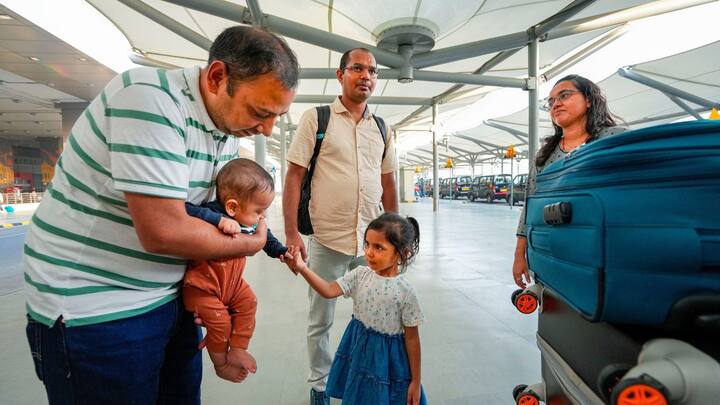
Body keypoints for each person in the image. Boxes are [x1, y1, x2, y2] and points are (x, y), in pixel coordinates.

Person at [23, 26, 298, 404]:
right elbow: (164, 231)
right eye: (260, 112)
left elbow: (201, 217)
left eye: (276, 117)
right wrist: (250, 243)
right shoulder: (149, 98)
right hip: (98, 310)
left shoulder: (224, 130)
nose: (266, 129)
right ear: (217, 77)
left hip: (166, 299)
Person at [282, 47, 399, 404]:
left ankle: (371, 378)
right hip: (326, 239)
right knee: (321, 319)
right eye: (358, 68)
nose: (366, 76)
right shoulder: (316, 119)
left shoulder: (382, 127)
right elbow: (294, 178)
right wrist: (290, 234)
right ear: (340, 75)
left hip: (373, 243)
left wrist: (397, 239)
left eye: (373, 71)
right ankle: (320, 384)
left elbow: (389, 183)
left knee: (380, 315)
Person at [285, 213, 427, 405]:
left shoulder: (406, 292)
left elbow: (412, 339)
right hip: (360, 350)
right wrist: (302, 268)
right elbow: (327, 290)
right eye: (367, 244)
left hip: (389, 362)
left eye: (379, 247)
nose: (369, 252)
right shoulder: (360, 275)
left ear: (403, 253)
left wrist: (416, 382)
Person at [513, 74, 625, 288]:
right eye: (551, 101)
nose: (556, 104)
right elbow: (529, 202)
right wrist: (520, 252)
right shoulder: (545, 154)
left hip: (601, 249)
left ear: (589, 99)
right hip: (551, 250)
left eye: (564, 95)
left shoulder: (613, 138)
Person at [183, 158, 289, 383]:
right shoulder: (213, 213)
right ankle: (221, 364)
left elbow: (265, 236)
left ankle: (239, 347)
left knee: (249, 302)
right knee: (220, 322)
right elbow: (186, 210)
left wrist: (280, 251)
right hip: (202, 288)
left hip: (232, 285)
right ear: (232, 207)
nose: (263, 217)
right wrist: (218, 220)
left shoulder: (247, 218)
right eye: (259, 210)